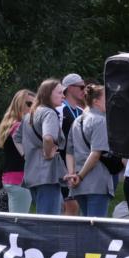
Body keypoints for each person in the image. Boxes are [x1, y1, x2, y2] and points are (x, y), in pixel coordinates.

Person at [19, 78, 66, 215]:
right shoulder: (49, 113)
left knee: (43, 217)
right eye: (60, 92)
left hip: (32, 174)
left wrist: (27, 154)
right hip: (47, 175)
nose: (63, 96)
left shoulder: (29, 115)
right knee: (49, 221)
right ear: (48, 93)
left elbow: (16, 137)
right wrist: (47, 153)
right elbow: (48, 137)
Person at [65, 83, 113, 217]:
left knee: (87, 226)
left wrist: (72, 175)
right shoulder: (100, 121)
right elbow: (95, 153)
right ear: (96, 102)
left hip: (79, 187)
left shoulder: (77, 121)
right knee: (96, 229)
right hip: (96, 183)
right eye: (107, 98)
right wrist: (79, 176)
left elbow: (69, 152)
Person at [0, 88, 35, 213]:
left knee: (16, 221)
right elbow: (28, 154)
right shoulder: (19, 126)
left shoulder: (12, 125)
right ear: (19, 105)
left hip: (12, 179)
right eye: (29, 104)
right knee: (18, 223)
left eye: (35, 104)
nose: (33, 107)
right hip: (19, 180)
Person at [58, 73, 86, 215]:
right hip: (63, 167)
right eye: (81, 87)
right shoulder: (60, 111)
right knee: (70, 206)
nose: (84, 90)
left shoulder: (82, 112)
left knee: (75, 207)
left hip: (80, 166)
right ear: (69, 88)